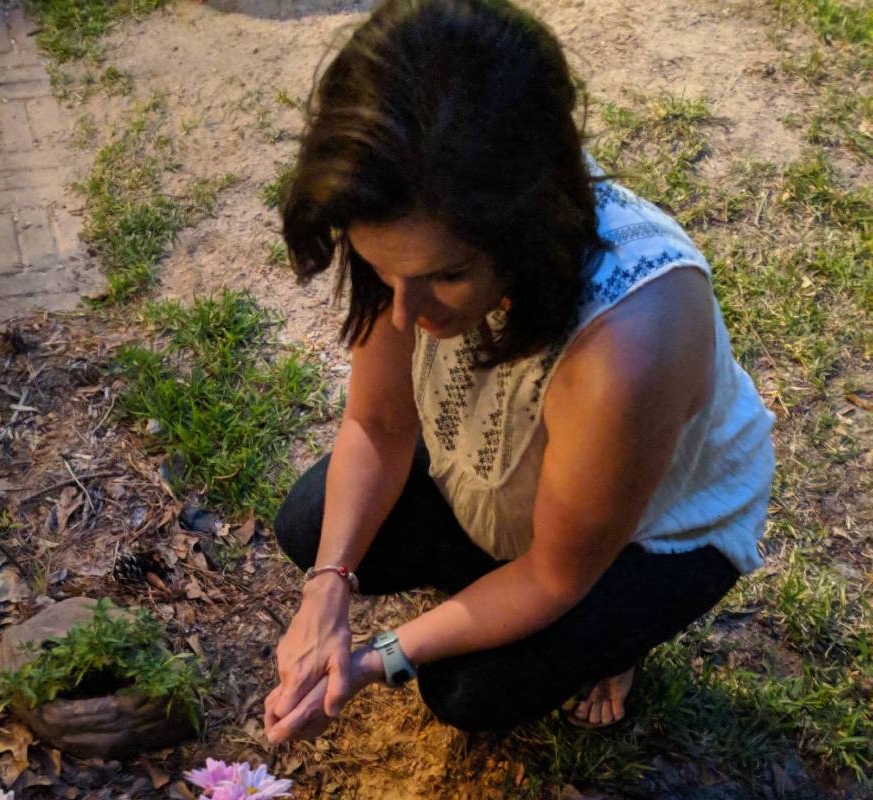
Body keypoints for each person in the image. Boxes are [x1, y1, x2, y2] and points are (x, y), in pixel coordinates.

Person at [263, 0, 774, 745]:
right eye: (382, 271)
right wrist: (326, 589)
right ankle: (494, 597)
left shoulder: (628, 345)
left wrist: (378, 658)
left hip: (653, 532)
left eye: (445, 277)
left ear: (525, 226)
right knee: (313, 528)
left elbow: (555, 577)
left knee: (468, 689)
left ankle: (620, 644)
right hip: (510, 483)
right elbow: (377, 422)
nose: (404, 315)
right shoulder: (403, 218)